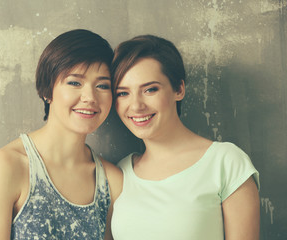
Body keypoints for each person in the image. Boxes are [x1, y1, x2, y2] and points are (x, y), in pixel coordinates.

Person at [0, 29, 122, 240]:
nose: (90, 97)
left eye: (102, 85)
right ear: (46, 90)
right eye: (74, 82)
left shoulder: (111, 180)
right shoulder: (7, 166)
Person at [110, 35, 260, 240]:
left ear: (179, 89)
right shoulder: (120, 173)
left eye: (150, 89)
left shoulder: (225, 162)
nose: (136, 106)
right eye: (122, 93)